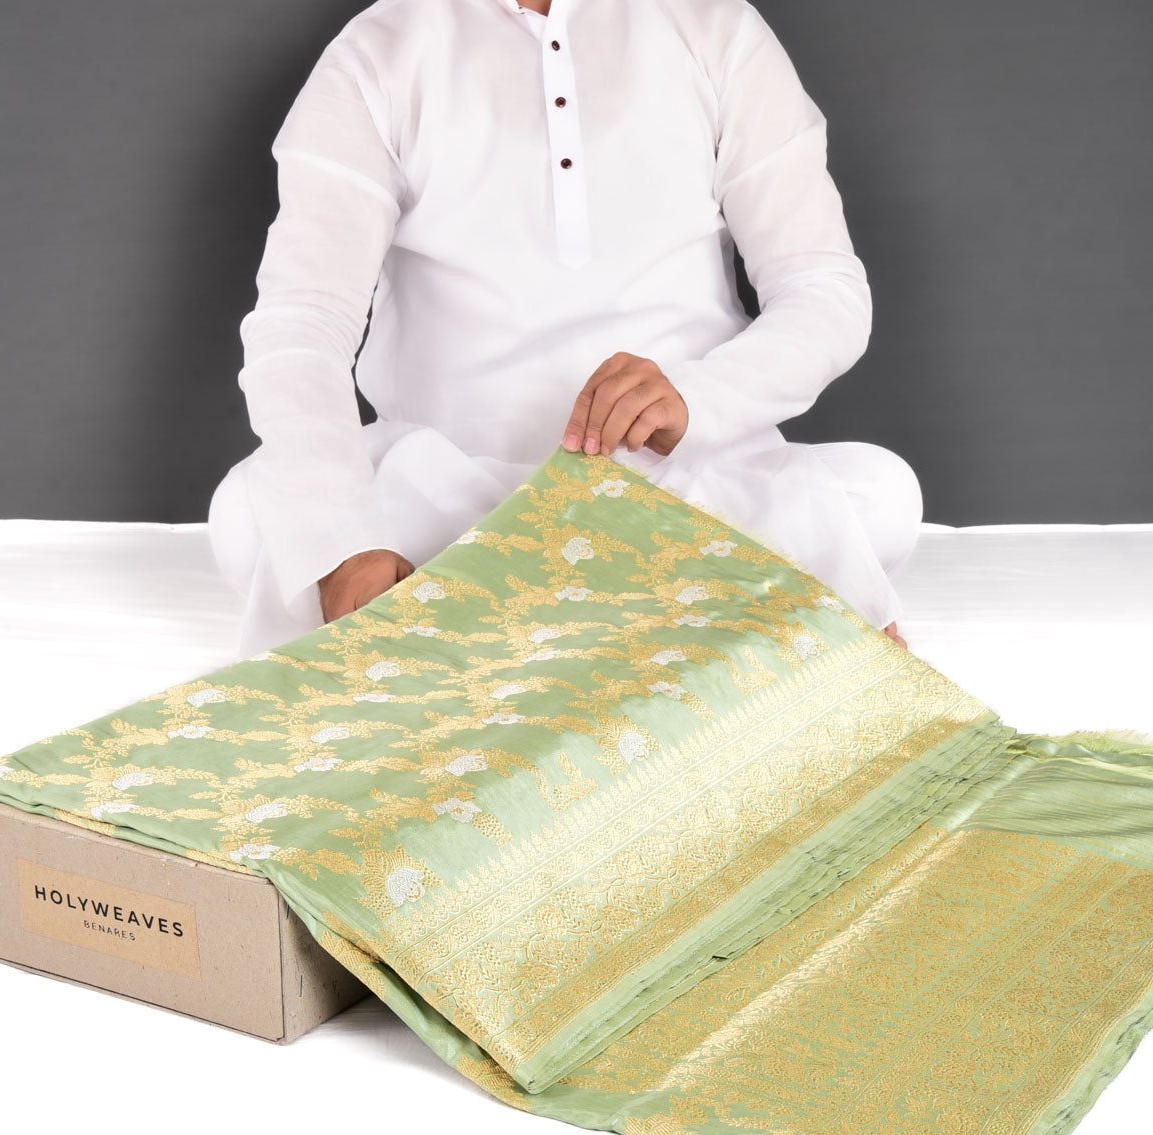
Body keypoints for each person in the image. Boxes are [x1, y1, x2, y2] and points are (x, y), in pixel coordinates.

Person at [208, 0, 923, 659]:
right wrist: (345, 546)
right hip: (453, 495)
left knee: (886, 495)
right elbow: (302, 320)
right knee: (245, 517)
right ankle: (697, 611)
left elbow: (823, 288)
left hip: (689, 485)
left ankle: (492, 620)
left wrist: (696, 399)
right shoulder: (378, 52)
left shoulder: (715, 27)